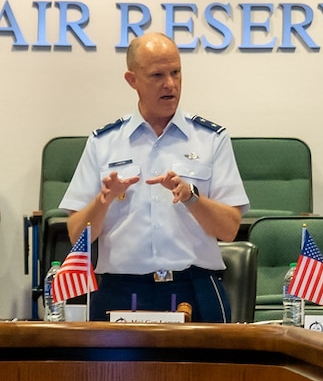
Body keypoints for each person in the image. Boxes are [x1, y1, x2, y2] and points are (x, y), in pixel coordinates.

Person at [60, 32, 248, 322]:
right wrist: (103, 200)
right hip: (120, 292)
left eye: (176, 72)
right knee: (110, 371)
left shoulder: (211, 139)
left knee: (204, 370)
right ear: (132, 79)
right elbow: (77, 235)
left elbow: (229, 229)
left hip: (194, 289)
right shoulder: (104, 142)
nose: (170, 84)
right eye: (157, 75)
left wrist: (191, 197)